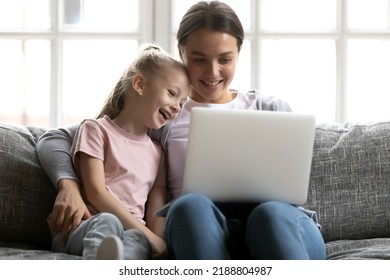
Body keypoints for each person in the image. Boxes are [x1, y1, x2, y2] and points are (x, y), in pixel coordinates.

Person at [37, 1, 326, 260]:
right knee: (189, 206)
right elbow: (56, 138)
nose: (213, 72)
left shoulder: (270, 108)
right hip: (201, 229)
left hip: (280, 228)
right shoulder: (163, 114)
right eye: (199, 59)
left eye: (225, 59)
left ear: (238, 53)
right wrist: (69, 185)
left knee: (269, 212)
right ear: (181, 53)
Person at [44, 43, 190, 260]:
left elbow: (155, 215)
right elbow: (96, 192)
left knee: (138, 241)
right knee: (109, 223)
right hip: (83, 226)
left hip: (132, 233)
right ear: (139, 84)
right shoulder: (96, 130)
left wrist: (156, 240)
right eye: (171, 94)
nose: (177, 107)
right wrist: (149, 236)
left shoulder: (158, 153)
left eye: (182, 102)